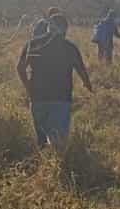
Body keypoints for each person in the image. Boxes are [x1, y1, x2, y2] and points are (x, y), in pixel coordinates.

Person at [17, 13, 92, 149]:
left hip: (37, 98)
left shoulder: (32, 44)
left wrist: (29, 88)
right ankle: (55, 167)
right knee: (58, 142)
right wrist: (88, 84)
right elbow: (81, 70)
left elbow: (20, 68)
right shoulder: (70, 47)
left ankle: (44, 166)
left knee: (42, 140)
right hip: (61, 99)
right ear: (64, 29)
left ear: (48, 28)